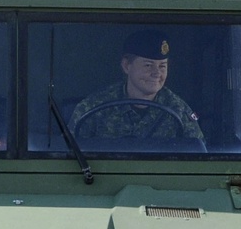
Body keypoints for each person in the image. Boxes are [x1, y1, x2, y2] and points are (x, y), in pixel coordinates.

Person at [69, 29, 204, 144]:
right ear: (126, 66)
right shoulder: (93, 108)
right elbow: (69, 156)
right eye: (148, 65)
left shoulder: (179, 111)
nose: (157, 73)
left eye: (162, 66)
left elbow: (198, 161)